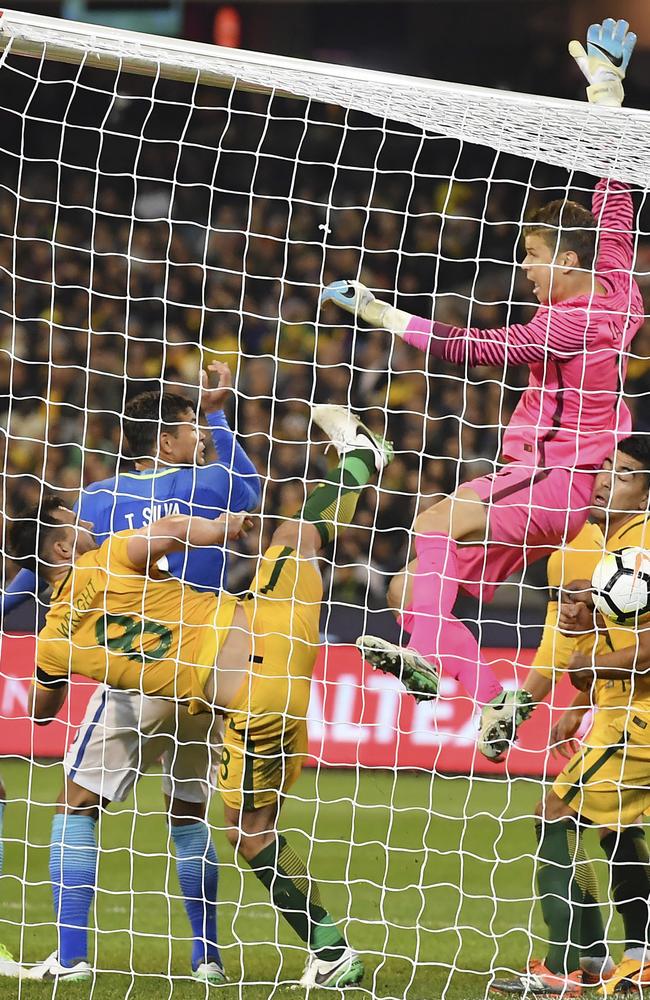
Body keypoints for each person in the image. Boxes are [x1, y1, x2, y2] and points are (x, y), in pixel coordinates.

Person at [320, 18, 642, 758]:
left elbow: (473, 346)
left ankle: (455, 674)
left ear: (564, 259)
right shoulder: (621, 289)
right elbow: (615, 195)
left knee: (431, 522)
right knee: (410, 588)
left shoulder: (568, 322)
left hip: (552, 478)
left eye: (533, 258)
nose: (526, 272)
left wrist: (380, 311)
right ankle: (474, 686)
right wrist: (605, 92)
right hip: (556, 484)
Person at [9, 404, 395, 989]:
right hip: (275, 621)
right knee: (298, 533)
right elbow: (177, 528)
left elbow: (40, 712)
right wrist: (224, 528)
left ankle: (329, 948)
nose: (82, 521)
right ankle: (362, 463)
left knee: (246, 831)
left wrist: (47, 677)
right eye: (71, 524)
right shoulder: (111, 555)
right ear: (62, 550)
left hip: (252, 699)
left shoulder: (52, 642)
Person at [4, 361, 260, 984]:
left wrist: (6, 602)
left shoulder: (97, 498)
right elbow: (251, 492)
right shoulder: (213, 482)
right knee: (188, 813)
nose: (200, 435)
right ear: (164, 440)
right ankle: (208, 962)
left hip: (135, 674)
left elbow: (60, 569)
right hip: (205, 672)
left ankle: (69, 958)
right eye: (190, 427)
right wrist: (222, 410)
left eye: (203, 426)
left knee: (77, 801)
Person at [490, 439, 650, 996]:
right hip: (616, 708)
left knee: (557, 813)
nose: (606, 480)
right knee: (614, 825)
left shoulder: (640, 549)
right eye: (604, 468)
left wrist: (590, 672)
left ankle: (571, 964)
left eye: (625, 474)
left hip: (640, 715)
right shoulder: (580, 545)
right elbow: (566, 641)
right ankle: (635, 951)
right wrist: (567, 701)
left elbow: (606, 648)